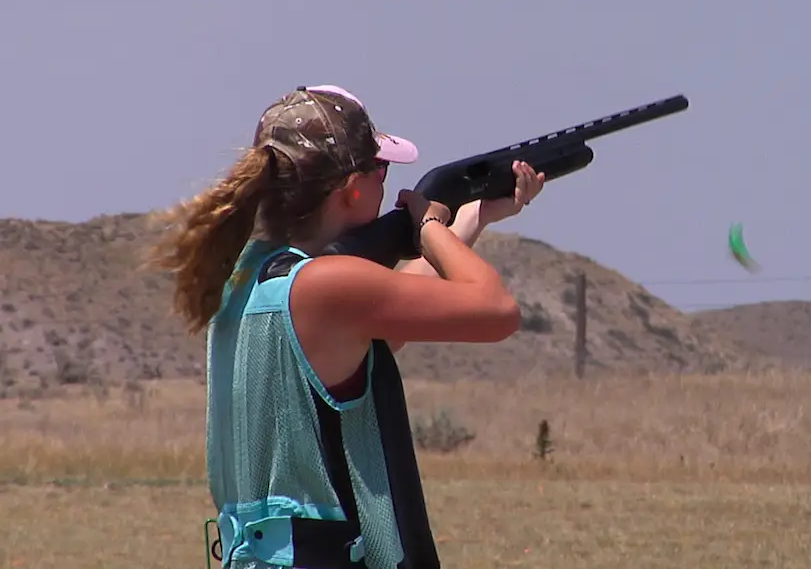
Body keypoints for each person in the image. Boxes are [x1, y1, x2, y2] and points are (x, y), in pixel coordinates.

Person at [148, 84, 545, 569]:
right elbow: (497, 310)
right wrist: (427, 227)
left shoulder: (247, 278)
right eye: (382, 171)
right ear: (353, 188)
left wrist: (470, 220)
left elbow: (388, 321)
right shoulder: (323, 284)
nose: (388, 184)